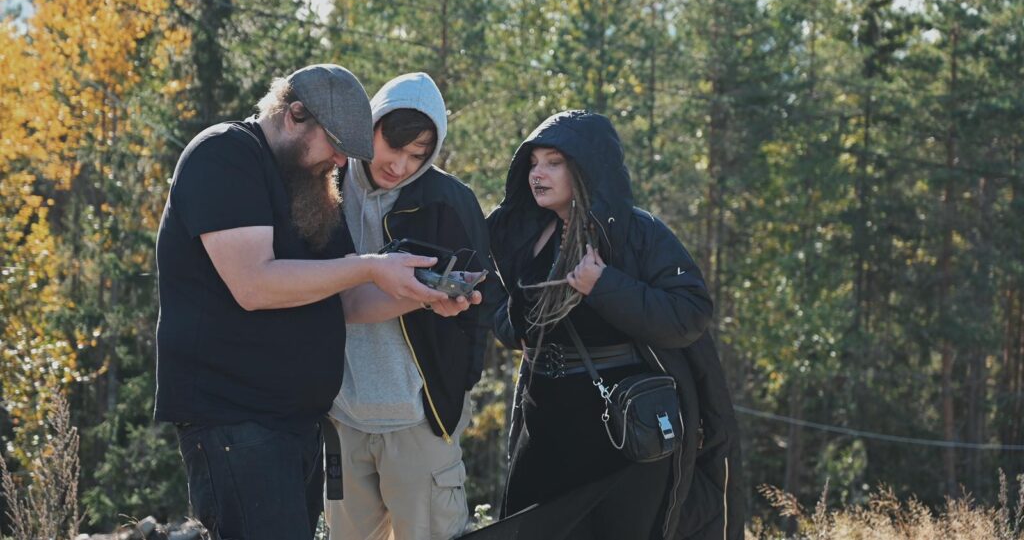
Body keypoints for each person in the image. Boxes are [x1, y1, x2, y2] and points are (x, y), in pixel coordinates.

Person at [154, 64, 479, 540]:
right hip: (235, 421)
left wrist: (422, 296)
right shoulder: (224, 154)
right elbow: (254, 284)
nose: (343, 162)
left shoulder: (310, 184)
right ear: (295, 115)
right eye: (336, 145)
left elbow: (346, 300)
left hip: (296, 425)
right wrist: (369, 265)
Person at [486, 110, 743, 540]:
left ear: (586, 168)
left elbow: (690, 313)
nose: (537, 174)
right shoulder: (524, 235)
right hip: (545, 425)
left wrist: (604, 285)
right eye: (533, 163)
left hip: (621, 437)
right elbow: (511, 321)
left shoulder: (638, 233)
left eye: (553, 162)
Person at [324, 72, 504, 540]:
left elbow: (482, 305)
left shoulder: (450, 201)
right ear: (371, 124)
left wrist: (454, 390)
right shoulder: (325, 184)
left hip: (420, 420)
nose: (400, 165)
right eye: (394, 145)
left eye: (418, 155)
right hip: (339, 414)